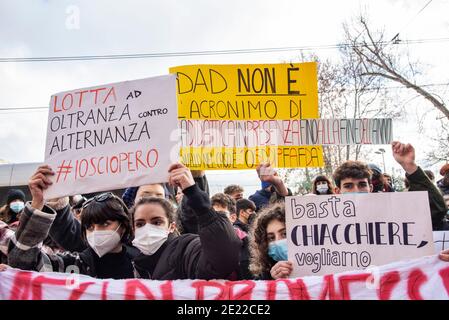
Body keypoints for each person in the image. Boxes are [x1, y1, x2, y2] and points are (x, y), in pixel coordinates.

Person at [7, 165, 138, 279]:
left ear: (124, 227)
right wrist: (37, 202)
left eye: (104, 224)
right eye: (90, 227)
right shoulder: (74, 266)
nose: (96, 232)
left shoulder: (143, 265)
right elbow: (22, 263)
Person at [333, 141, 448, 230]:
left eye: (362, 184)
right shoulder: (326, 220)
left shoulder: (390, 212)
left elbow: (435, 210)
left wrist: (410, 166)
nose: (356, 190)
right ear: (338, 192)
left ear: (371, 188)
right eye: (348, 186)